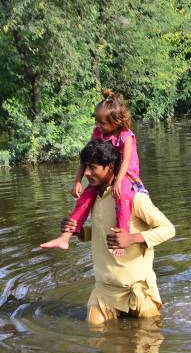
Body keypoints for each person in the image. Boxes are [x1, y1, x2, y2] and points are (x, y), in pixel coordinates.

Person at [53, 140, 175, 325]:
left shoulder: (134, 198)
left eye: (93, 168)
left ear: (110, 167)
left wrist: (132, 238)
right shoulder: (94, 197)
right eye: (86, 167)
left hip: (138, 291)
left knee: (147, 339)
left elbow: (168, 229)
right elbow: (102, 229)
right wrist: (79, 232)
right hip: (104, 291)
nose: (86, 173)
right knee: (96, 335)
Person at [41, 89, 144, 257]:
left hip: (126, 175)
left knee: (123, 194)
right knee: (86, 196)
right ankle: (65, 237)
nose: (98, 126)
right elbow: (86, 156)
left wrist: (118, 181)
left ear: (116, 121)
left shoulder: (126, 136)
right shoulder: (98, 133)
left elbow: (125, 161)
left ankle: (121, 238)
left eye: (102, 123)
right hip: (104, 175)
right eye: (97, 121)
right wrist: (77, 180)